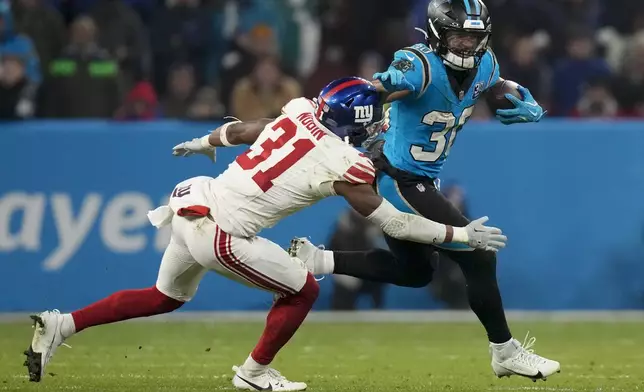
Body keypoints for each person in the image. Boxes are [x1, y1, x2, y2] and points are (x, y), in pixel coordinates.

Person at [24, 77, 507, 390]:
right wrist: (459, 236)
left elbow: (248, 129)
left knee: (163, 298)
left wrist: (204, 140)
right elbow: (395, 223)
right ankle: (254, 373)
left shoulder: (300, 110)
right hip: (223, 231)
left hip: (195, 200)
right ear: (355, 124)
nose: (379, 126)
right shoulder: (346, 162)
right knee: (303, 290)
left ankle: (61, 325)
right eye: (373, 120)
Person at [289, 0, 560, 382]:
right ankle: (505, 351)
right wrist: (372, 96)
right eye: (459, 35)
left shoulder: (486, 63)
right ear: (437, 33)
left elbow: (494, 85)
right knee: (479, 254)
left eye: (473, 36)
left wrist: (519, 95)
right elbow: (381, 88)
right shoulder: (417, 65)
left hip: (420, 180)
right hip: (396, 179)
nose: (467, 45)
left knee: (415, 272)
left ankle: (318, 261)